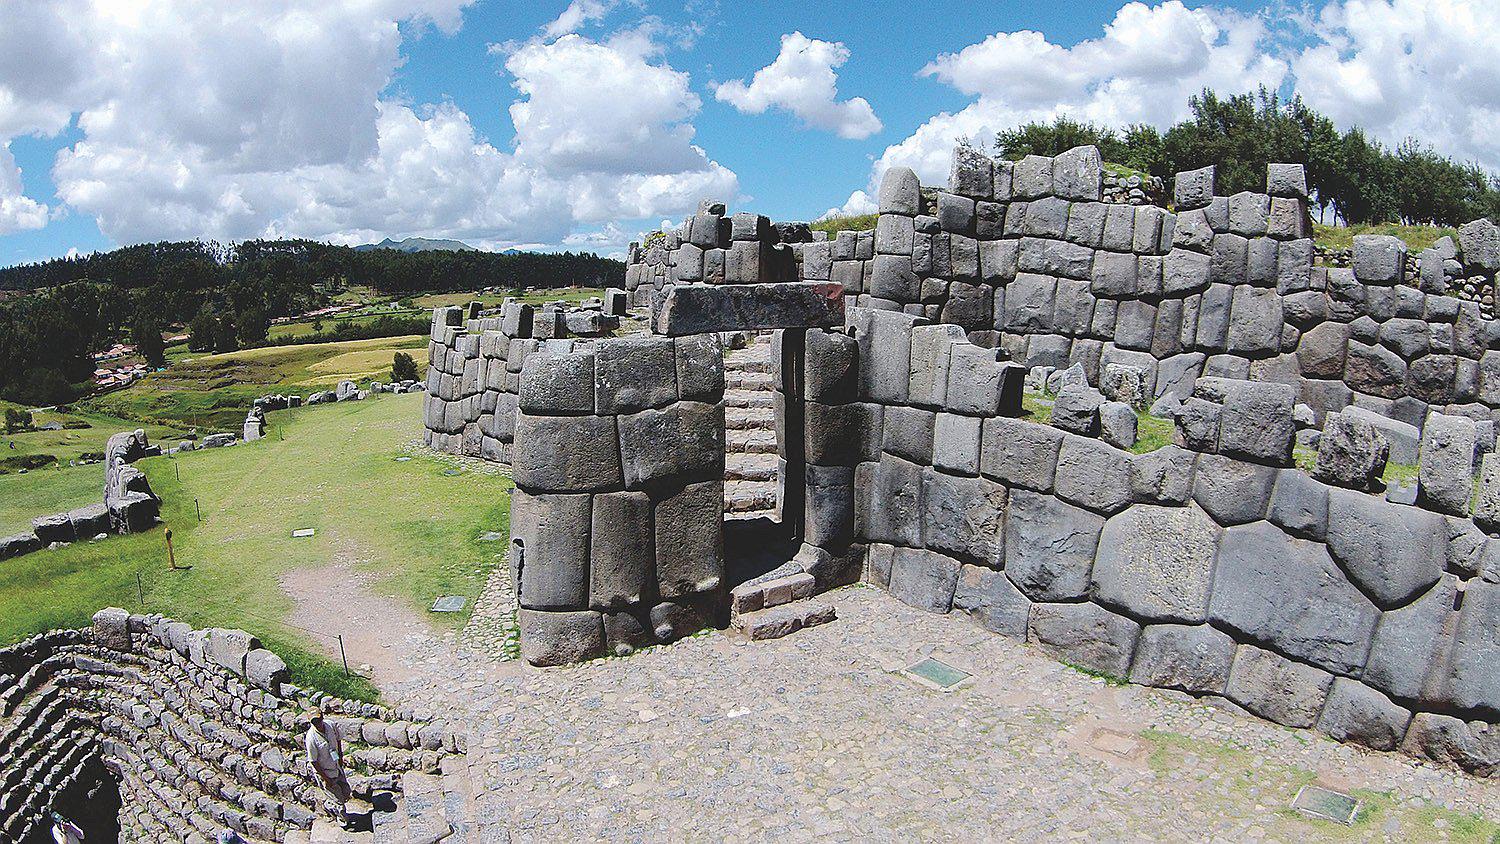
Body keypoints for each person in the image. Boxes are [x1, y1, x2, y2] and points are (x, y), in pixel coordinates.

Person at [304, 708, 353, 828]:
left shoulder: (330, 725)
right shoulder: (311, 738)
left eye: (319, 720)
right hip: (325, 772)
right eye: (314, 722)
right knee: (340, 802)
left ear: (322, 717)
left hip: (336, 766)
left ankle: (328, 805)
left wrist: (340, 757)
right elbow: (313, 762)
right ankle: (343, 822)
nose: (317, 724)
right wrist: (326, 779)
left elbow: (338, 739)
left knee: (346, 792)